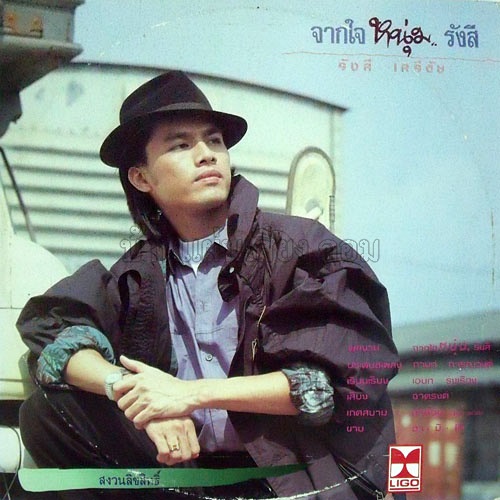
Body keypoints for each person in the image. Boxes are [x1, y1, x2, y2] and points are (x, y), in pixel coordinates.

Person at [17, 71, 401, 500]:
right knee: (45, 414)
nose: (206, 156)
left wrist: (187, 396)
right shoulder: (137, 274)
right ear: (141, 178)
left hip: (292, 479)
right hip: (195, 476)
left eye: (214, 141)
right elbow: (56, 339)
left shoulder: (299, 248)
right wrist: (136, 396)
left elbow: (320, 388)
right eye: (181, 145)